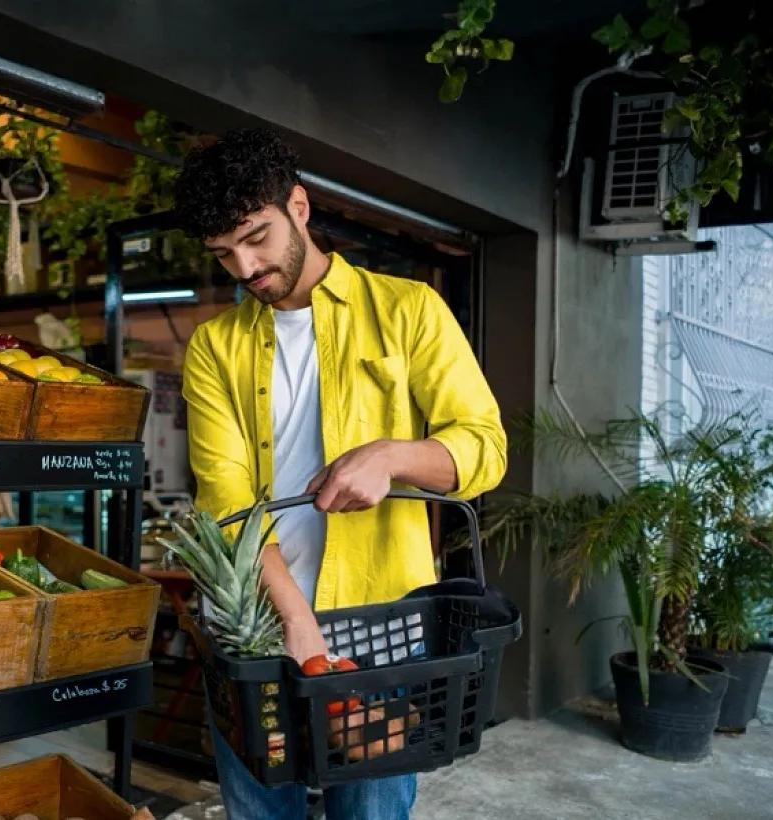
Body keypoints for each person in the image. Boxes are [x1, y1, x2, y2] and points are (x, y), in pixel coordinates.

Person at [174, 129, 506, 819]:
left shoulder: (408, 309)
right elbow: (226, 505)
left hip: (380, 628)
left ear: (298, 206)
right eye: (223, 253)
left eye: (255, 237)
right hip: (259, 637)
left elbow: (484, 450)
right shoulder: (214, 347)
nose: (244, 266)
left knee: (373, 813)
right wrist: (295, 620)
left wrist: (392, 455)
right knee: (260, 812)